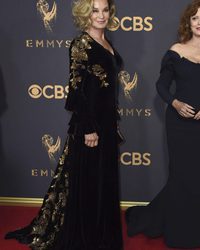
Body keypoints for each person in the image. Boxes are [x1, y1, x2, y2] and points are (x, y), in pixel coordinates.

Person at [5, 0, 124, 249]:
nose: (100, 15)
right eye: (94, 10)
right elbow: (77, 90)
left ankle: (103, 237)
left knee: (104, 183)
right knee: (90, 184)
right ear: (85, 13)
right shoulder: (81, 44)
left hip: (108, 125)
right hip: (91, 127)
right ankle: (88, 239)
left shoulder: (107, 43)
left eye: (104, 10)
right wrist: (89, 127)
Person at [126, 0, 200, 248]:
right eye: (195, 18)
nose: (199, 22)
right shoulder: (175, 51)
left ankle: (195, 233)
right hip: (179, 124)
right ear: (189, 22)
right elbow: (161, 86)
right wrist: (174, 104)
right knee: (180, 176)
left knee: (197, 178)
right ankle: (175, 233)